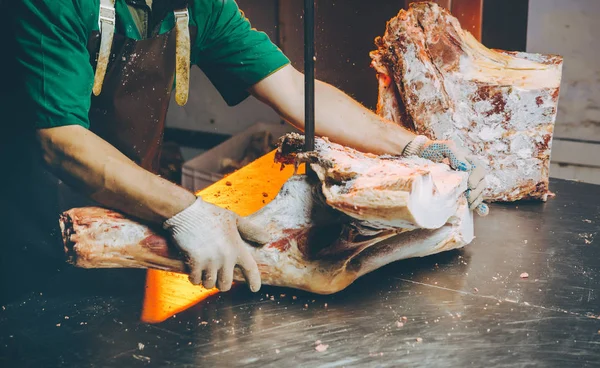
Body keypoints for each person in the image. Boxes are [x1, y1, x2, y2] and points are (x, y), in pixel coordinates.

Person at [0, 0, 486, 298]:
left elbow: (294, 90)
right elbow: (58, 141)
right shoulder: (55, 2)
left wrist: (417, 146)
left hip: (125, 207)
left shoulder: (196, 4)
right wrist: (187, 210)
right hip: (24, 216)